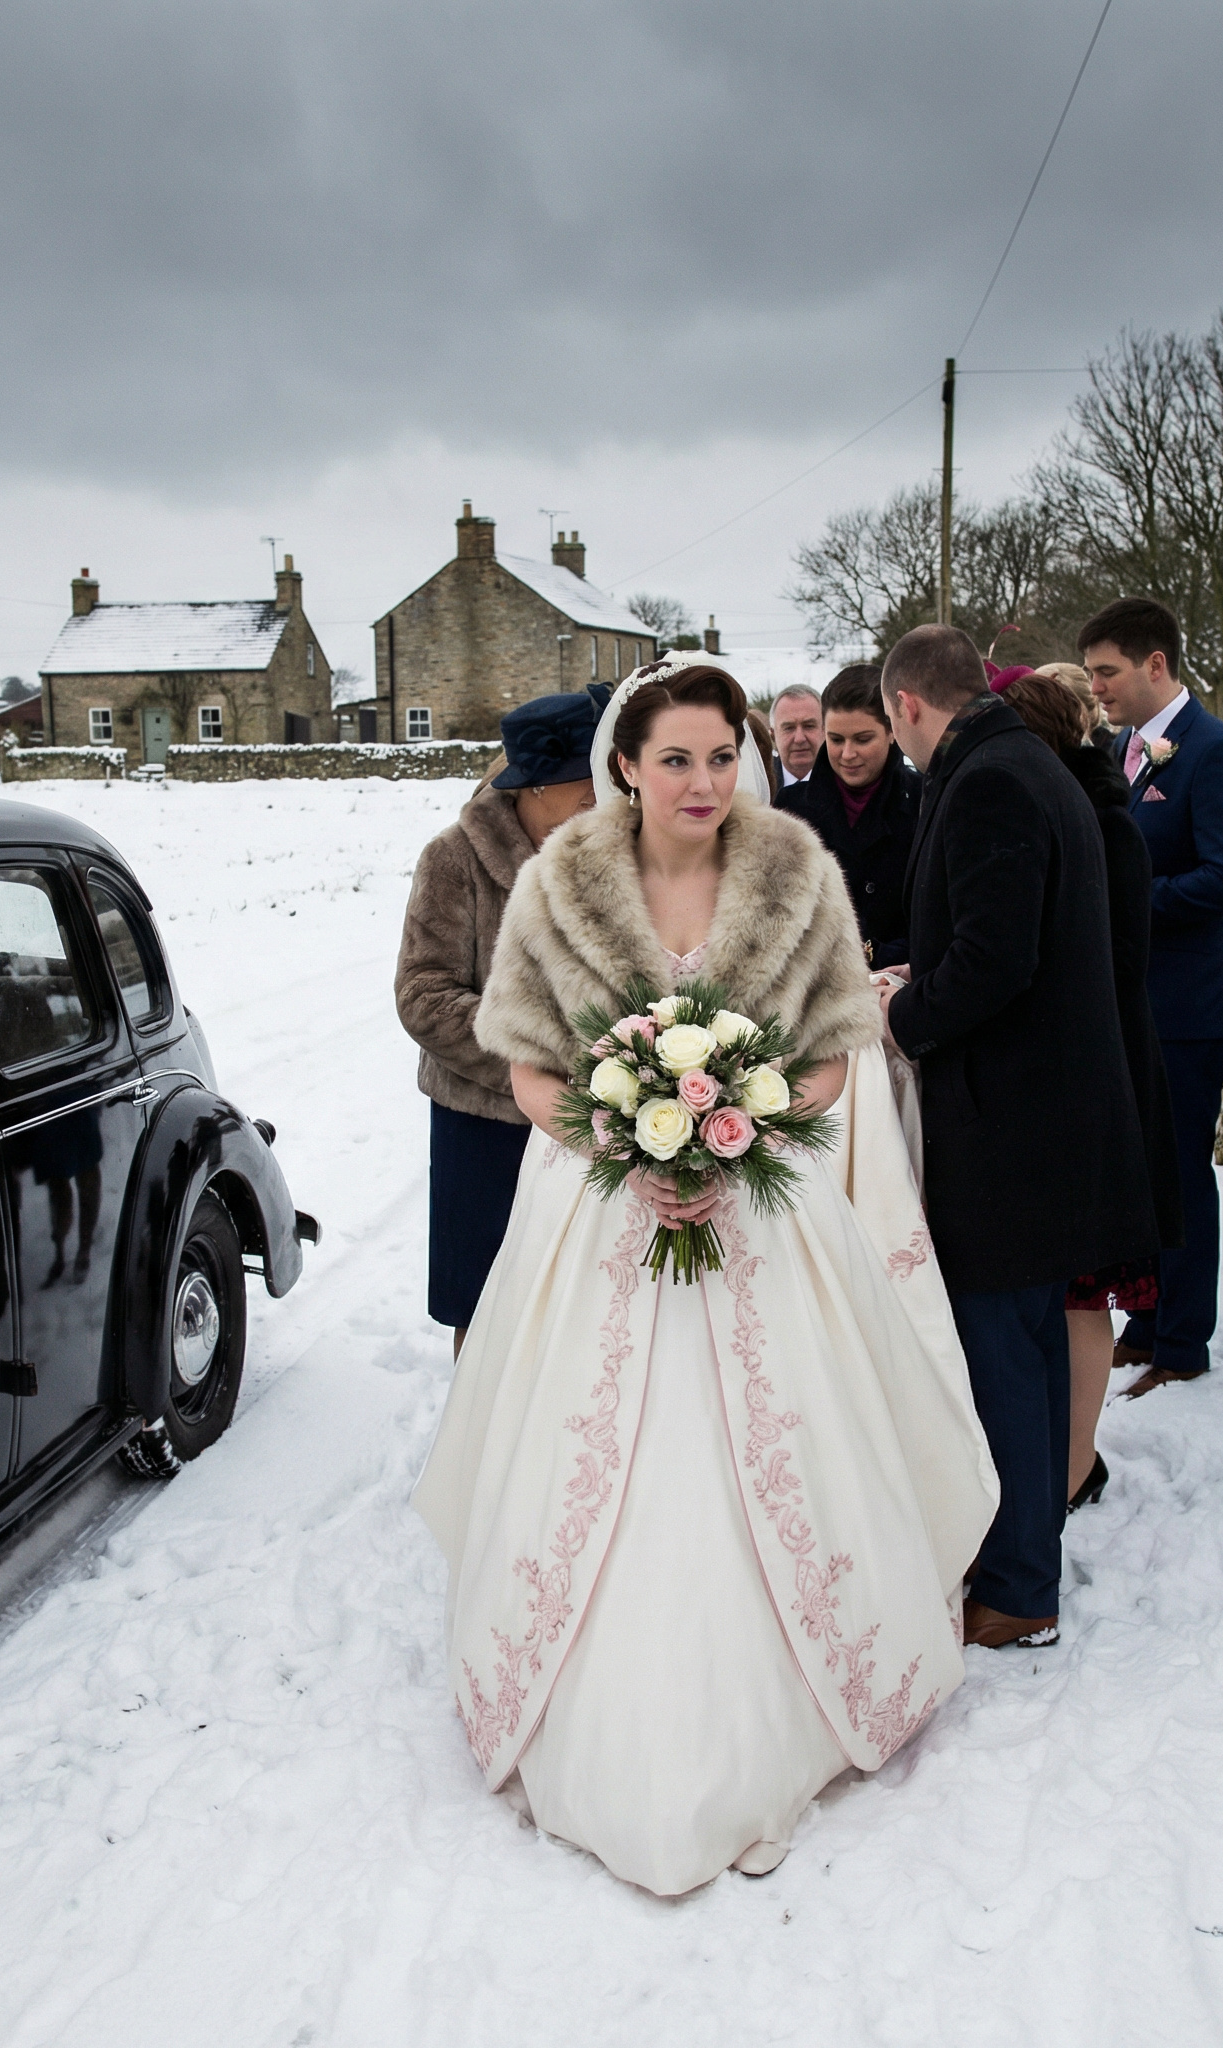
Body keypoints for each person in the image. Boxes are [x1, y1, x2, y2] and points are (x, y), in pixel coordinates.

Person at [414, 655, 996, 1897]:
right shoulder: (560, 882)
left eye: (722, 755)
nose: (701, 780)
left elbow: (836, 1057)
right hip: (597, 1210)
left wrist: (746, 1131)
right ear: (622, 764)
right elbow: (523, 1065)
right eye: (674, 757)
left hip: (761, 1214)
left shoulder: (794, 876)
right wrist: (617, 1136)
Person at [879, 625, 1158, 1649]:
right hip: (1049, 1116)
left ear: (907, 703)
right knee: (1030, 1353)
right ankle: (1026, 1563)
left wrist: (898, 1018)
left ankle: (1015, 1587)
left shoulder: (991, 777)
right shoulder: (1025, 761)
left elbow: (995, 959)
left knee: (1001, 1356)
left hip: (1010, 1126)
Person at [989, 665, 1183, 1508]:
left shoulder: (1096, 822)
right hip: (1072, 1075)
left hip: (1093, 1080)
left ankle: (1071, 1469)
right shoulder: (1072, 808)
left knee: (1081, 1293)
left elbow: (1111, 962)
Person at [1079, 597, 1223, 1400]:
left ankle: (1185, 1340)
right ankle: (1148, 1321)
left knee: (1183, 1168)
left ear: (1157, 664)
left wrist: (1122, 901)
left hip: (1188, 1003)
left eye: (1107, 672)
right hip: (1135, 999)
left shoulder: (1218, 752)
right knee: (1147, 1164)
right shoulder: (1123, 746)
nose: (1097, 688)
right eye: (1090, 675)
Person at [394, 690, 600, 1354]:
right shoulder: (453, 859)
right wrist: (535, 1055)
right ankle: (477, 1445)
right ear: (535, 783)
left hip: (588, 1120)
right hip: (482, 1124)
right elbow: (422, 993)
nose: (601, 794)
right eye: (585, 780)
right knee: (483, 1307)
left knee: (576, 1302)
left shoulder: (604, 853)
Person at [776, 662, 921, 967]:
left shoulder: (924, 801)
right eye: (836, 739)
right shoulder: (789, 809)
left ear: (892, 731)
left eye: (863, 739)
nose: (847, 754)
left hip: (901, 987)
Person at [770, 683, 823, 785]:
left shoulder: (847, 782)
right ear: (773, 736)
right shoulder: (758, 785)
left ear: (825, 731)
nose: (799, 739)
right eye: (789, 728)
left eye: (809, 726)